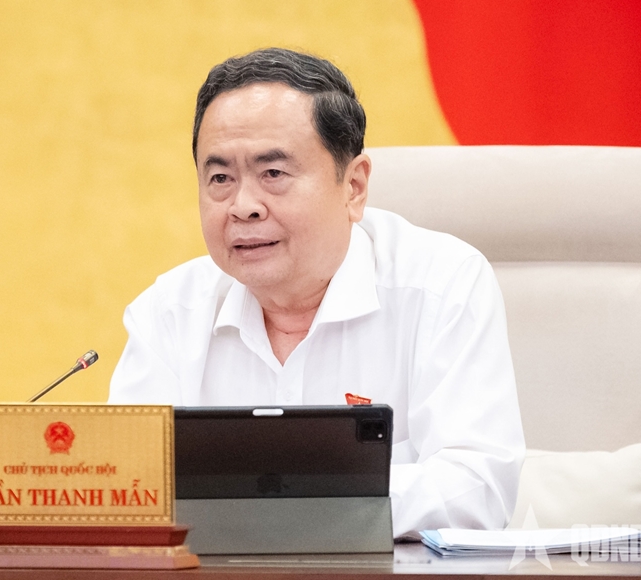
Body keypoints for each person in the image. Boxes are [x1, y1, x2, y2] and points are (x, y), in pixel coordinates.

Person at [107, 47, 525, 539]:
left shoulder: (442, 285)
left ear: (354, 187)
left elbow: (478, 488)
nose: (243, 206)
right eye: (220, 178)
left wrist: (289, 504)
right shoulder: (168, 312)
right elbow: (129, 491)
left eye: (273, 174)